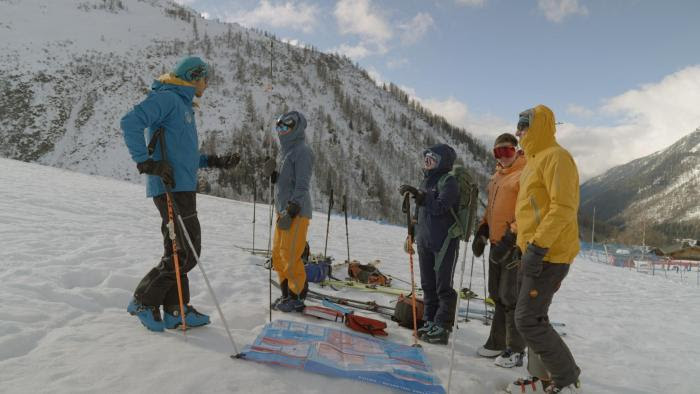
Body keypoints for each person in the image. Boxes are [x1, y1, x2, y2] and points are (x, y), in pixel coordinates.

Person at [122, 56, 240, 332]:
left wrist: (214, 161)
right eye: (205, 79)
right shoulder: (168, 99)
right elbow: (130, 121)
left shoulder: (183, 106)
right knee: (187, 252)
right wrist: (146, 162)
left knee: (176, 250)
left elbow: (182, 155)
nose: (207, 84)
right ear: (193, 76)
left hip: (181, 185)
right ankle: (143, 300)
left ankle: (177, 310)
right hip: (170, 187)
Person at [508, 105, 582, 393]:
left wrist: (537, 247)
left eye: (523, 126)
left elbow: (563, 208)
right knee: (533, 316)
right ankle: (542, 375)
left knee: (528, 319)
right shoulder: (534, 161)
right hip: (532, 250)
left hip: (549, 253)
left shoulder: (557, 158)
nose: (518, 132)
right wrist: (515, 239)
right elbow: (532, 209)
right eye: (518, 125)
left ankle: (566, 378)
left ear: (538, 126)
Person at [473, 133, 527, 368]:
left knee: (510, 297)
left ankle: (515, 351)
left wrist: (509, 238)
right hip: (495, 243)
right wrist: (482, 230)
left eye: (506, 151)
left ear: (516, 150)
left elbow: (527, 213)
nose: (502, 156)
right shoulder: (496, 177)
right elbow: (491, 211)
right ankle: (496, 342)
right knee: (496, 294)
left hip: (514, 246)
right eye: (498, 152)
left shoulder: (524, 174)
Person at [399, 144, 460, 345]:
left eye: (431, 160)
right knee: (428, 285)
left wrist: (422, 197)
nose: (427, 163)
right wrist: (411, 235)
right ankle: (429, 320)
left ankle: (443, 326)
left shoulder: (448, 181)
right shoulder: (425, 181)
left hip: (444, 241)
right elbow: (420, 213)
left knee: (443, 286)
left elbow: (441, 207)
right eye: (425, 159)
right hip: (425, 240)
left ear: (442, 162)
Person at [264, 111, 314, 313]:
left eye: (285, 127)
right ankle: (286, 294)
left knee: (291, 254)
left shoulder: (303, 151)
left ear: (296, 128)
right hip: (282, 210)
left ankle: (297, 296)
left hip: (296, 212)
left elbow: (302, 186)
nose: (281, 131)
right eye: (279, 127)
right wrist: (273, 175)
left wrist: (291, 211)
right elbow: (287, 182)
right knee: (278, 254)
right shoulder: (286, 151)